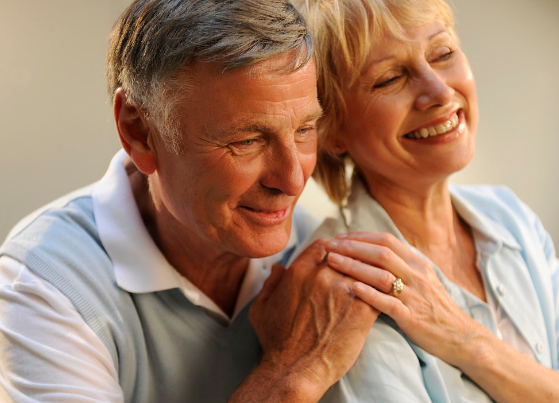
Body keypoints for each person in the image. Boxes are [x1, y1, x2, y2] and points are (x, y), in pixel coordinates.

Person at [0, 1, 379, 402]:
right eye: (247, 141)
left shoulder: (319, 253)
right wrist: (292, 372)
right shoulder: (44, 284)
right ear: (139, 132)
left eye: (305, 129)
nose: (293, 179)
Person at [291, 0, 559, 402]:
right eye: (389, 79)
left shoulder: (510, 216)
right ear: (330, 132)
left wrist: (470, 343)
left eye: (443, 53)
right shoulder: (344, 288)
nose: (438, 90)